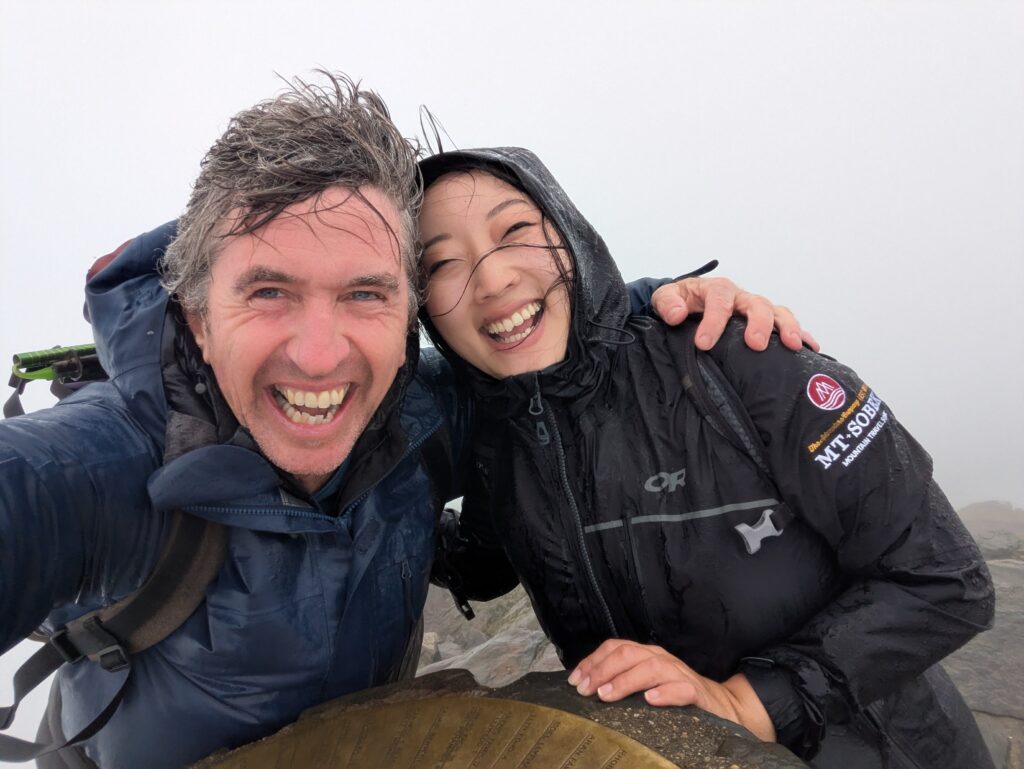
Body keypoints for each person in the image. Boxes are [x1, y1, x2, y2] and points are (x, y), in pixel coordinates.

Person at [0, 74, 801, 769]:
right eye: (269, 290)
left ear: (408, 315)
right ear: (199, 317)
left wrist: (663, 310)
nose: (319, 357)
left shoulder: (421, 413)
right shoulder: (104, 466)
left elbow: (540, 338)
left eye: (365, 293)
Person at [418, 147, 996, 768]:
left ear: (572, 234)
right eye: (443, 262)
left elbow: (946, 578)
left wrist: (749, 703)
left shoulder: (731, 356)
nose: (492, 279)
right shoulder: (498, 432)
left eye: (516, 231)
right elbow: (482, 564)